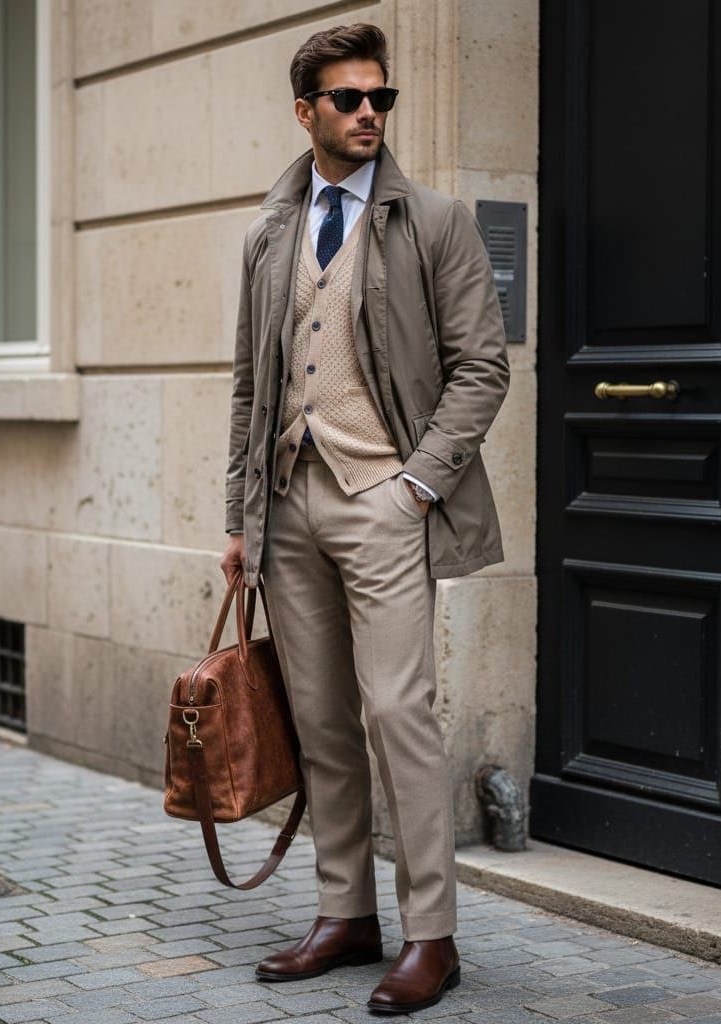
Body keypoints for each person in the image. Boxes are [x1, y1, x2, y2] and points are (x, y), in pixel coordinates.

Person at [219, 22, 509, 1015]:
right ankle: (345, 914)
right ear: (305, 111)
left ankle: (432, 934)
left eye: (379, 98)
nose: (367, 114)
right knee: (321, 722)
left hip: (385, 502)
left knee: (399, 716)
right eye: (347, 99)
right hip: (289, 504)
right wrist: (240, 520)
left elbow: (483, 368)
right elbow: (251, 391)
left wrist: (417, 484)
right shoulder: (270, 228)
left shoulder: (434, 220)